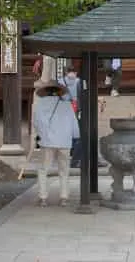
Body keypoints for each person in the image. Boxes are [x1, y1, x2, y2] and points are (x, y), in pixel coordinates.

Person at [32, 79, 80, 207]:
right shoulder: (66, 105)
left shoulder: (40, 104)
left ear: (45, 91)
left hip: (47, 141)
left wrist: (42, 135)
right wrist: (74, 137)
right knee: (64, 170)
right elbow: (74, 125)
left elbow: (37, 123)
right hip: (64, 142)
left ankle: (43, 198)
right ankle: (64, 197)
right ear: (59, 92)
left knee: (43, 169)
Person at [61, 65, 83, 168]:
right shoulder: (79, 81)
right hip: (75, 108)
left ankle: (69, 154)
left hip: (64, 109)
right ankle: (74, 153)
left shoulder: (60, 81)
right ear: (76, 72)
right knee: (76, 132)